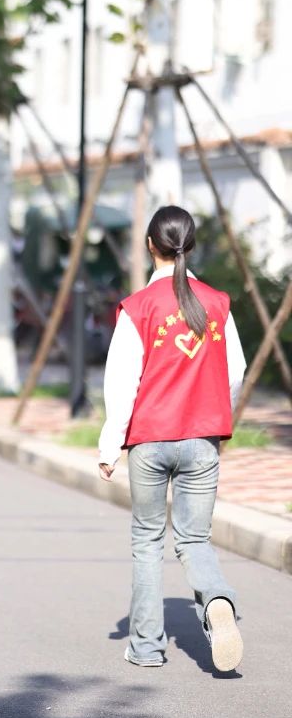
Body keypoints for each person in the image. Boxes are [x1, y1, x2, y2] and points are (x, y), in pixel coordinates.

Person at [97, 205, 246, 673]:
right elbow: (235, 371)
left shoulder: (138, 307)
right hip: (203, 438)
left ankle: (146, 647)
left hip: (150, 440)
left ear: (150, 245)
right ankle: (216, 600)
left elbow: (121, 382)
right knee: (194, 538)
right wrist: (216, 416)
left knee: (147, 540)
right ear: (192, 245)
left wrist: (110, 445)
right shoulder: (217, 303)